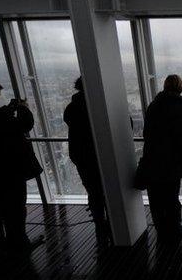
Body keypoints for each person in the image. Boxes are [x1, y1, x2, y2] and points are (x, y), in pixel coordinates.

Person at [0, 79, 39, 261]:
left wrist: (10, 108)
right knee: (15, 211)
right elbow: (25, 124)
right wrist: (23, 108)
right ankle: (18, 246)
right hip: (9, 173)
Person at [143, 75, 182, 239]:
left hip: (152, 156)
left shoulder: (153, 104)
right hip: (170, 158)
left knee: (156, 197)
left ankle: (160, 229)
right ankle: (175, 229)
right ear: (180, 86)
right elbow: (180, 133)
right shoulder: (179, 103)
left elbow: (147, 132)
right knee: (172, 195)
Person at [63, 77, 109, 240]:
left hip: (82, 157)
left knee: (93, 191)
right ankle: (112, 223)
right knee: (108, 190)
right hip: (103, 156)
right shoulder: (100, 106)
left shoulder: (71, 108)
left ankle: (99, 223)